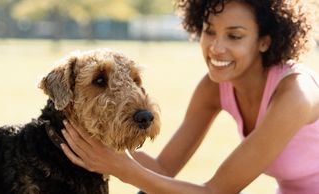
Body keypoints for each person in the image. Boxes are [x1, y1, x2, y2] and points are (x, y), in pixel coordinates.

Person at [60, 0, 319, 193]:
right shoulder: (215, 86)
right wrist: (95, 138)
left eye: (234, 36)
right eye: (209, 31)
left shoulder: (295, 94)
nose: (216, 47)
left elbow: (216, 191)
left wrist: (121, 167)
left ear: (264, 41)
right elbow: (163, 170)